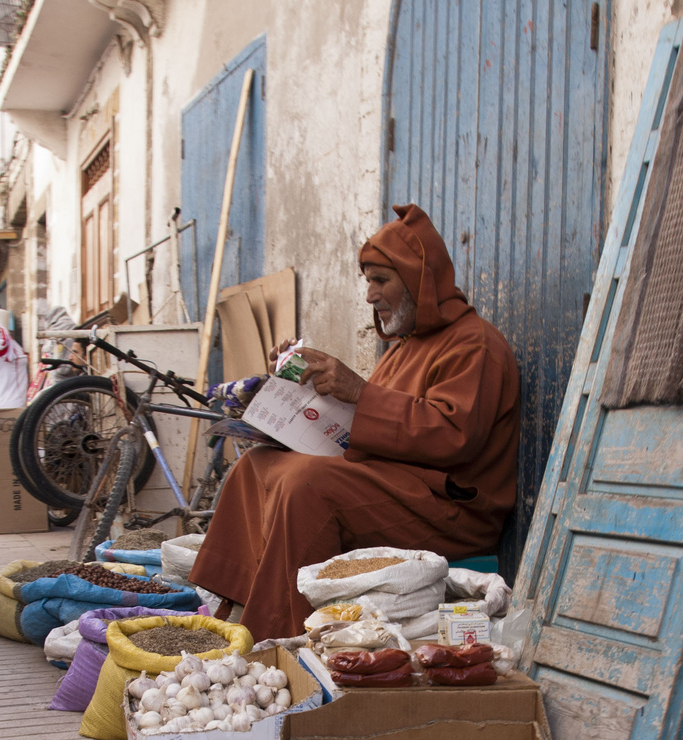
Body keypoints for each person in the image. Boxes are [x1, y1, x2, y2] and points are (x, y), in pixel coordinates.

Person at [189, 203, 520, 642]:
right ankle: (233, 609)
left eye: (381, 281)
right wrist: (298, 390)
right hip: (395, 487)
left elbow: (450, 435)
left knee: (306, 485)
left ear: (419, 282)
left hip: (448, 512)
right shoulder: (406, 345)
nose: (370, 295)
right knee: (258, 466)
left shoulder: (474, 345)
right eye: (368, 282)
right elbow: (367, 426)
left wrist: (359, 392)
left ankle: (275, 635)